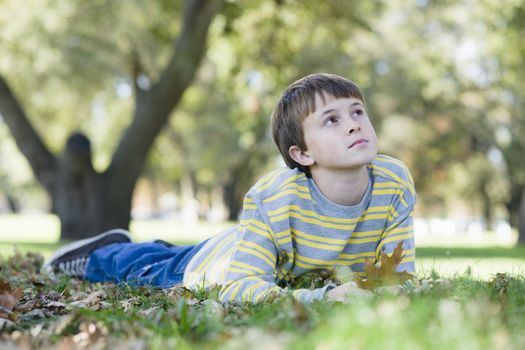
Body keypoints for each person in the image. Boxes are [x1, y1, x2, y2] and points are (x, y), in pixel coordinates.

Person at [44, 73, 416, 304]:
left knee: (166, 253)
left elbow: (399, 276)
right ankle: (102, 252)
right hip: (225, 262)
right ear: (301, 153)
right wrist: (322, 297)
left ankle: (140, 247)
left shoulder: (394, 183)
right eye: (331, 120)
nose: (353, 125)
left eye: (356, 112)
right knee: (151, 268)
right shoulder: (273, 199)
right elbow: (239, 286)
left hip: (273, 259)